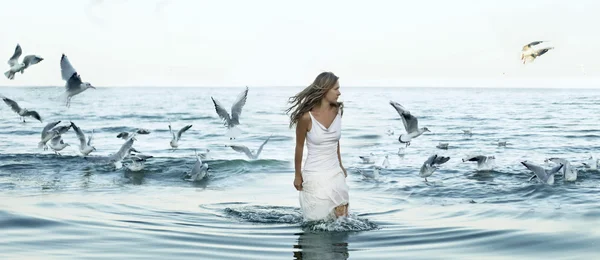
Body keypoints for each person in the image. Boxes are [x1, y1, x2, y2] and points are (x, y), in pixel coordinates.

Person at [285, 71, 349, 221]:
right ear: (325, 90)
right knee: (318, 221)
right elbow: (299, 147)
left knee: (342, 218)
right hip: (314, 175)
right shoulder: (306, 117)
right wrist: (297, 175)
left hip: (335, 172)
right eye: (336, 89)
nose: (339, 93)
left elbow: (335, 141)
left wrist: (341, 165)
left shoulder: (338, 111)